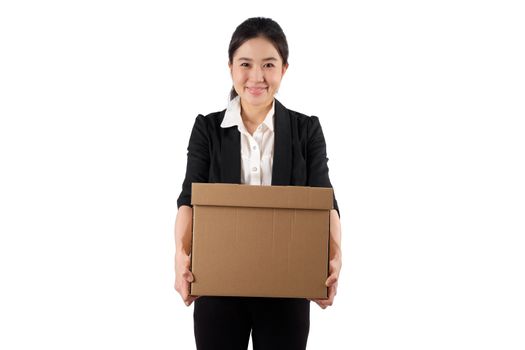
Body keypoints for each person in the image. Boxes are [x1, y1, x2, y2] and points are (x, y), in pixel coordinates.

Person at [174, 17, 342, 350]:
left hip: (288, 285)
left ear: (284, 69)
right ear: (231, 68)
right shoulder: (207, 129)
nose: (257, 76)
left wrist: (335, 258)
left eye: (269, 64)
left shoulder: (306, 130)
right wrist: (180, 257)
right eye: (246, 64)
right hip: (218, 286)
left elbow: (326, 202)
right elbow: (189, 198)